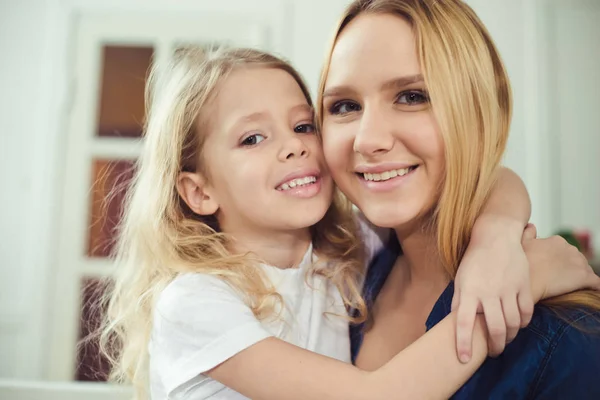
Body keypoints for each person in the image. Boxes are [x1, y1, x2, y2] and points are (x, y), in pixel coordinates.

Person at [99, 45, 597, 400]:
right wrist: (527, 280)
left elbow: (497, 179)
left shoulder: (342, 251)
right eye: (252, 139)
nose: (293, 145)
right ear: (199, 191)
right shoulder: (195, 301)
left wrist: (496, 242)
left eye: (302, 125)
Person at [317, 0, 600, 398]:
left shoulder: (567, 336)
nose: (368, 140)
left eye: (412, 96)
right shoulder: (343, 278)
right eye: (345, 106)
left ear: (483, 113)